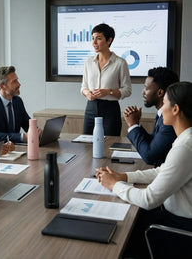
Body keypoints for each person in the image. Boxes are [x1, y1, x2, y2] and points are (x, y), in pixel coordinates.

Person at [96, 81, 192, 258]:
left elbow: (149, 199)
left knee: (121, 228)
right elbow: (161, 171)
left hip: (179, 228)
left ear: (176, 109)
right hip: (176, 217)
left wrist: (114, 185)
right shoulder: (186, 139)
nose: (161, 108)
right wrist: (123, 176)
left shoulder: (185, 147)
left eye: (164, 103)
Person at [81, 23, 132, 136]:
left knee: (109, 144)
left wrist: (108, 91)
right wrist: (88, 93)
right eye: (93, 38)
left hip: (110, 110)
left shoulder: (120, 63)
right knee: (86, 143)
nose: (94, 43)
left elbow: (127, 90)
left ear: (109, 40)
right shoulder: (89, 62)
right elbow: (83, 87)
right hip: (90, 108)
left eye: (98, 39)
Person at [123, 67, 179, 166]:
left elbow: (150, 156)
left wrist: (132, 125)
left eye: (146, 88)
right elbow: (153, 143)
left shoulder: (170, 122)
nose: (143, 92)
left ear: (160, 93)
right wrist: (136, 124)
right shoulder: (160, 114)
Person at [0, 66, 40, 143]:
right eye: (14, 82)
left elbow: (27, 125)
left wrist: (37, 132)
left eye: (17, 80)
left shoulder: (17, 101)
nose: (19, 84)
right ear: (2, 86)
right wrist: (23, 137)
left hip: (16, 149)